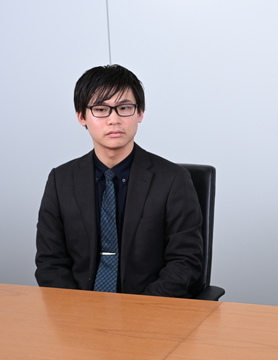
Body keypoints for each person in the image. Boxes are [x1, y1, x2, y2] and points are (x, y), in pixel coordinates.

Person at [35, 64, 203, 298]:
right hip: (78, 309)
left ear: (140, 113)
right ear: (82, 116)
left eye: (124, 108)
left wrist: (138, 310)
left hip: (148, 308)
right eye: (101, 109)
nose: (114, 120)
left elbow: (185, 261)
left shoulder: (173, 179)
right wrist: (77, 309)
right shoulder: (60, 180)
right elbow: (50, 262)